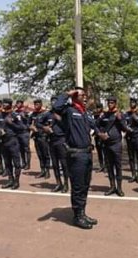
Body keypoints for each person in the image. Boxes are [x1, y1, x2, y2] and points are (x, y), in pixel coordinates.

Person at [52, 87, 98, 230]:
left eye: (86, 95)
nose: (85, 97)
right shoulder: (69, 111)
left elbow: (93, 127)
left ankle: (82, 213)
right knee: (77, 187)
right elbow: (56, 107)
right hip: (76, 155)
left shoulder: (83, 112)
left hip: (87, 153)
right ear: (75, 96)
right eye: (82, 95)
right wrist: (67, 94)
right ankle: (77, 216)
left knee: (85, 185)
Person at [96, 96, 128, 197]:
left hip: (116, 144)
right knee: (109, 167)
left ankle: (119, 188)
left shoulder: (119, 114)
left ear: (115, 103)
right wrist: (100, 134)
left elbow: (124, 129)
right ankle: (112, 186)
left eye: (112, 102)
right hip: (106, 144)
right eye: (109, 102)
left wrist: (120, 120)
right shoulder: (103, 115)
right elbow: (96, 125)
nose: (110, 104)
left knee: (118, 166)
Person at [0, 98, 25, 190]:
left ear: (10, 104)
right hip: (3, 142)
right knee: (7, 163)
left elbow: (22, 127)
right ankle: (10, 180)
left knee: (17, 163)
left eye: (6, 103)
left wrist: (11, 124)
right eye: (4, 103)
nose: (4, 105)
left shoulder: (15, 115)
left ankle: (16, 182)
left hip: (13, 141)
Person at [41, 96, 69, 193]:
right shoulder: (47, 114)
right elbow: (37, 123)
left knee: (64, 164)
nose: (53, 103)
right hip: (51, 141)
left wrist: (60, 119)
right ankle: (58, 183)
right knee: (55, 164)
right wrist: (45, 128)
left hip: (61, 140)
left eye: (55, 101)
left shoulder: (64, 113)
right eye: (52, 101)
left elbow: (68, 126)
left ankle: (66, 184)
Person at [124, 97, 138, 183]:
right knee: (131, 157)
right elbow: (123, 124)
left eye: (133, 102)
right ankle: (133, 174)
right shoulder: (127, 114)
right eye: (130, 102)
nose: (131, 104)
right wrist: (126, 128)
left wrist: (136, 118)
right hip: (129, 138)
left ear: (136, 104)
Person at [29, 99, 51, 179]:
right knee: (40, 155)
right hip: (36, 137)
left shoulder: (46, 113)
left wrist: (45, 128)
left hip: (44, 136)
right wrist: (31, 127)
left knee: (46, 154)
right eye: (35, 104)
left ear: (41, 104)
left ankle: (47, 171)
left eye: (38, 104)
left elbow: (50, 124)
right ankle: (42, 170)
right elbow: (28, 123)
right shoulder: (33, 114)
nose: (36, 105)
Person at [13, 99, 32, 170]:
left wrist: (24, 115)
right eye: (17, 103)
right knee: (20, 149)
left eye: (19, 103)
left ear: (22, 104)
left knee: (26, 149)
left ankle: (28, 164)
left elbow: (29, 121)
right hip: (18, 133)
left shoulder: (25, 112)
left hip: (25, 133)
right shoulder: (15, 112)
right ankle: (23, 162)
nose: (18, 104)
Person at [93, 102, 106, 173]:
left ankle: (106, 166)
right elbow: (94, 125)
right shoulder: (95, 115)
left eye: (99, 108)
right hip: (97, 135)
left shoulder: (105, 115)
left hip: (103, 135)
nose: (98, 109)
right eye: (97, 108)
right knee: (99, 151)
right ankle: (101, 166)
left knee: (105, 151)